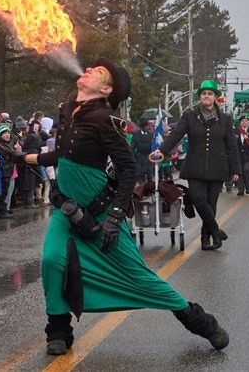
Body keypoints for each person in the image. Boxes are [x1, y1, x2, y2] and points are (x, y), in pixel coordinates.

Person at [25, 58, 229, 356]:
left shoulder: (105, 120)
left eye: (99, 72)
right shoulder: (68, 112)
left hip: (101, 211)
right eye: (91, 68)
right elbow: (64, 156)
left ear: (106, 89)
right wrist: (25, 158)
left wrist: (115, 216)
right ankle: (58, 329)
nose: (90, 69)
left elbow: (129, 169)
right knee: (51, 261)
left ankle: (200, 321)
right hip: (66, 208)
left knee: (138, 275)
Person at [149, 80, 240, 251]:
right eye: (204, 93)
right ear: (200, 97)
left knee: (211, 203)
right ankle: (215, 231)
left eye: (210, 93)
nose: (206, 96)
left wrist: (235, 169)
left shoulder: (225, 119)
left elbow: (231, 145)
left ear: (215, 97)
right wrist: (161, 151)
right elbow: (175, 135)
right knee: (198, 199)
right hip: (195, 166)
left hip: (217, 166)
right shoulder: (189, 116)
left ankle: (205, 238)